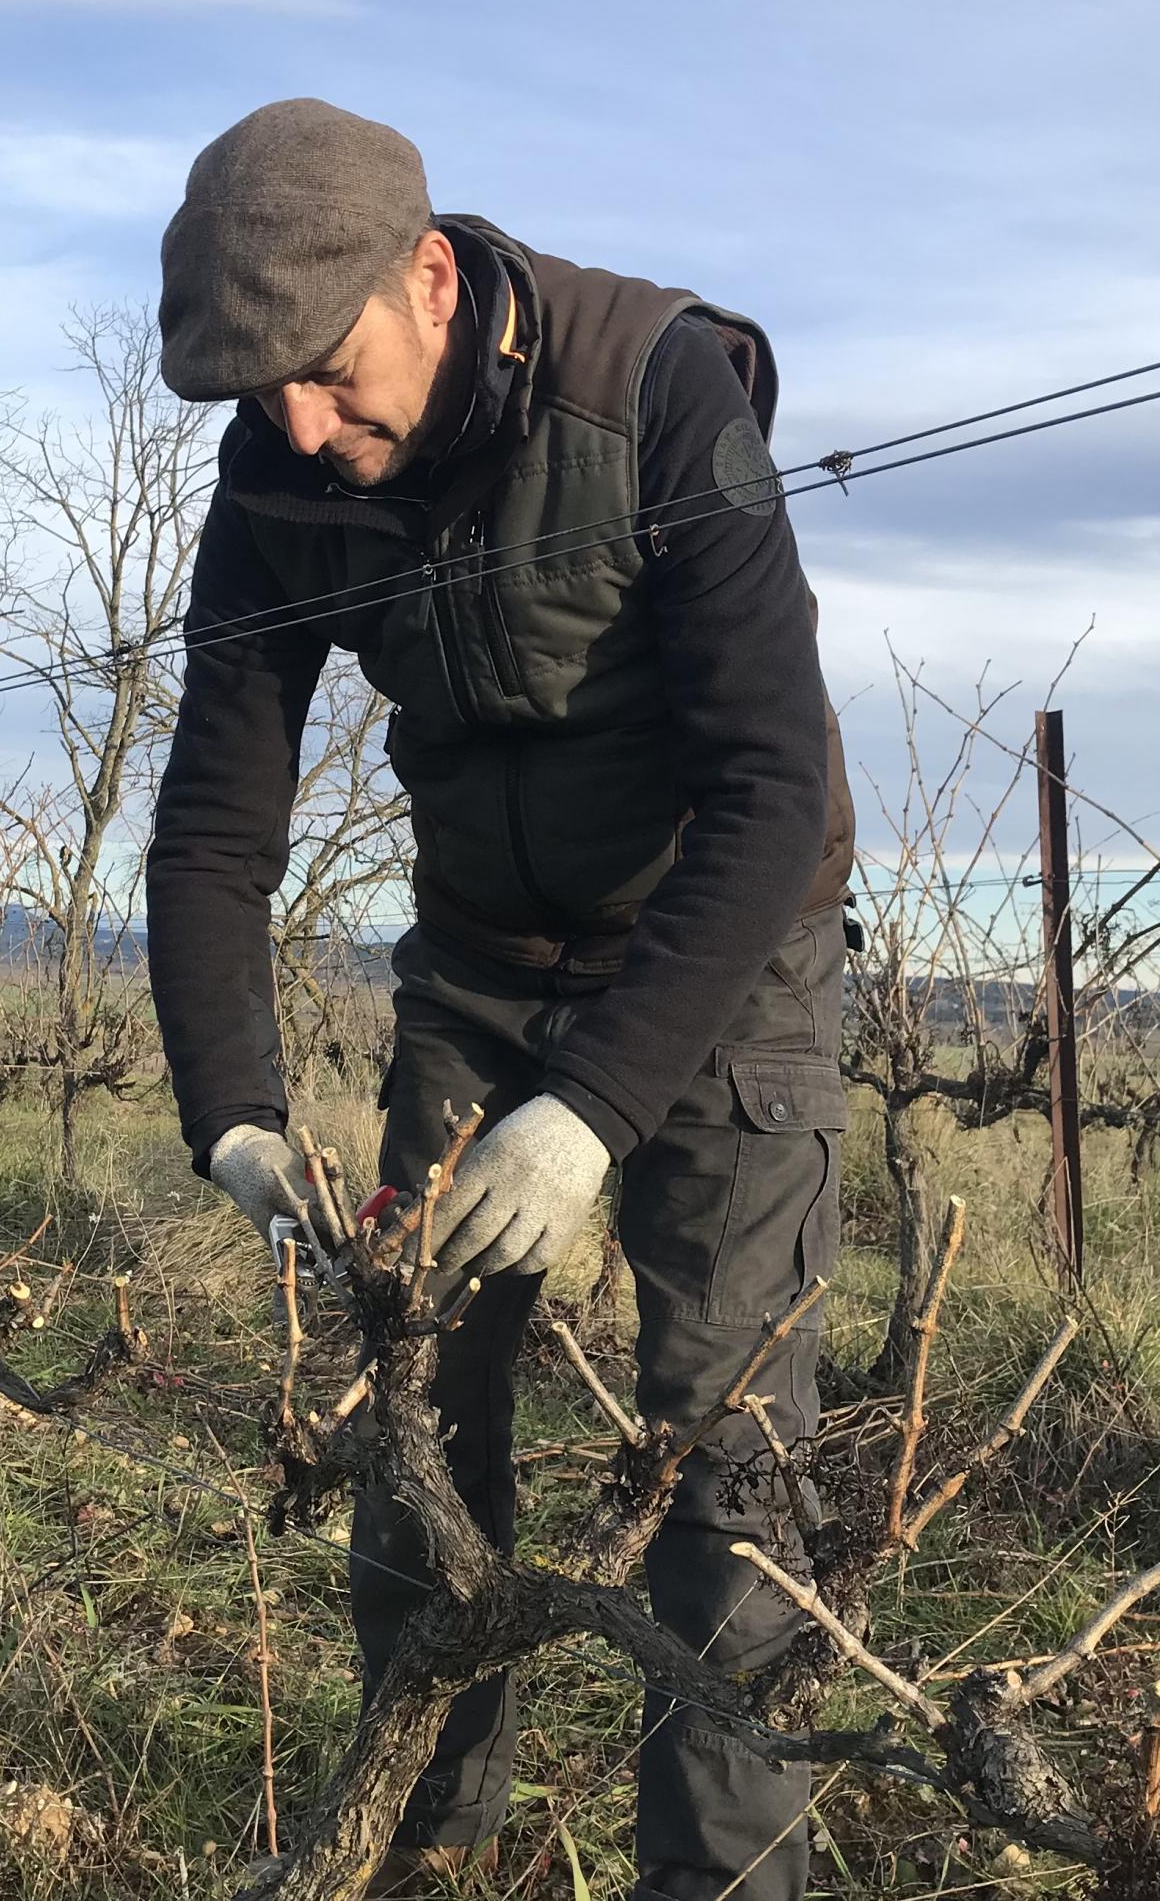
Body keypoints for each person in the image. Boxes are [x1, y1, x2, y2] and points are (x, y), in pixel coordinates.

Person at [147, 97, 855, 1901]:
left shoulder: (658, 392)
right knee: (420, 1448)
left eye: (318, 369)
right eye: (254, 395)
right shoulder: (277, 470)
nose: (299, 425)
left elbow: (773, 787)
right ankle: (416, 1851)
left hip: (725, 954)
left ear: (433, 277)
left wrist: (595, 1107)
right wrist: (227, 1110)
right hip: (477, 971)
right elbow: (220, 817)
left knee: (727, 1474)